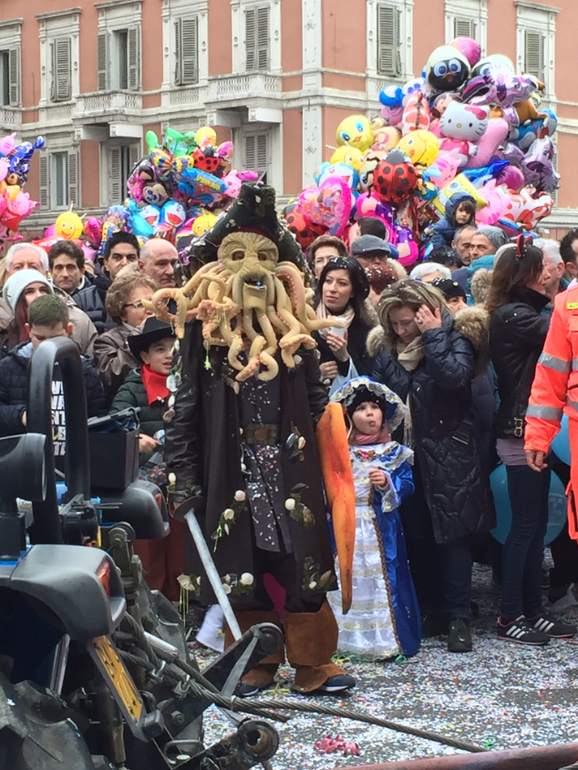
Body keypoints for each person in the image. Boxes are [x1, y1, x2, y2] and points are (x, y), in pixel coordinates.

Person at [163, 182, 355, 696]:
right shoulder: (201, 334)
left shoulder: (297, 331)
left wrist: (335, 456)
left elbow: (317, 400)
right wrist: (182, 477)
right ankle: (256, 661)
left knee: (304, 562)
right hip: (230, 463)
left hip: (292, 463)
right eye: (238, 255)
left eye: (266, 257)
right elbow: (183, 408)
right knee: (239, 563)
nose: (253, 268)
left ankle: (313, 662)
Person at [369, 279, 495, 652]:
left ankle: (459, 616)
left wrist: (434, 335)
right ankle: (431, 608)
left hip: (450, 453)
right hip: (407, 456)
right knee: (418, 535)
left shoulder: (457, 340)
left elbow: (454, 379)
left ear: (427, 312)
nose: (401, 330)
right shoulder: (386, 350)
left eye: (407, 322)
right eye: (395, 323)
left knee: (453, 539)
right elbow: (379, 397)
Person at [487, 235, 575, 644]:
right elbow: (560, 331)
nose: (546, 275)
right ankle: (509, 616)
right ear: (522, 274)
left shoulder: (522, 311)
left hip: (531, 430)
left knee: (536, 527)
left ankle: (534, 611)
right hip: (519, 432)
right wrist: (564, 293)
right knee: (524, 527)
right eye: (540, 269)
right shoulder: (512, 316)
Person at [327, 377, 420, 659]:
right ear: (349, 416)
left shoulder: (393, 453)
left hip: (380, 527)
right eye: (361, 408)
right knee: (346, 577)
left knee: (380, 579)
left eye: (374, 407)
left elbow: (408, 484)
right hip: (343, 526)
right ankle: (342, 639)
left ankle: (382, 641)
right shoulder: (338, 452)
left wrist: (387, 483)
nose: (370, 414)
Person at [110, 317, 187, 602]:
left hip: (182, 477)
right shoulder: (132, 387)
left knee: (181, 545)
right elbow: (116, 424)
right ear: (144, 356)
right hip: (146, 481)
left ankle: (182, 603)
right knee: (149, 545)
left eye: (173, 348)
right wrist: (135, 438)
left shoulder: (188, 386)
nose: (168, 355)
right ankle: (151, 601)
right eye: (160, 349)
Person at [0, 295, 106, 469]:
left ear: (68, 330)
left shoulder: (84, 370)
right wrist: (22, 415)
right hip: (24, 465)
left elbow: (98, 417)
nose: (47, 345)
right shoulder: (9, 367)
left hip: (72, 466)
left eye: (55, 338)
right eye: (40, 338)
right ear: (28, 330)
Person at [0, 243, 98, 357]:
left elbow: (89, 362)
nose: (25, 272)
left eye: (33, 267)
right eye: (18, 267)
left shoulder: (76, 319)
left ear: (46, 273)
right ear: (7, 274)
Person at [94, 271, 158, 405]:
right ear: (122, 313)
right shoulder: (106, 341)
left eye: (153, 302)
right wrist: (137, 337)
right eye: (140, 304)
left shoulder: (167, 332)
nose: (150, 309)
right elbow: (113, 376)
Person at [313, 256, 376, 392]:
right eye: (328, 281)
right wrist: (317, 373)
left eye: (342, 283)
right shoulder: (306, 319)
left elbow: (370, 383)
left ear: (353, 291)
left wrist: (344, 358)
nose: (332, 289)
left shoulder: (365, 330)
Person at [48, 240, 108, 333]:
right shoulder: (42, 295)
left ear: (82, 271)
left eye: (70, 267)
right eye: (59, 268)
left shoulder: (100, 295)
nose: (65, 274)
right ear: (51, 271)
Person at [1, 269, 53, 355]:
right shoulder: (5, 342)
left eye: (43, 290)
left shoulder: (63, 329)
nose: (39, 296)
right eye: (30, 292)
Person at [453, 225, 508, 301]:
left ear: (498, 250)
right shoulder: (458, 277)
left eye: (481, 247)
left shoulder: (508, 280)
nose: (473, 252)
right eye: (472, 247)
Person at [351, 235, 405, 304]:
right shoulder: (347, 286)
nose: (377, 261)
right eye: (369, 257)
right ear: (355, 260)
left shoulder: (403, 286)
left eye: (382, 256)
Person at [94, 232, 140, 302]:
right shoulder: (86, 298)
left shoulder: (150, 293)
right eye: (117, 257)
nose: (124, 263)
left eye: (131, 258)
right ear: (106, 264)